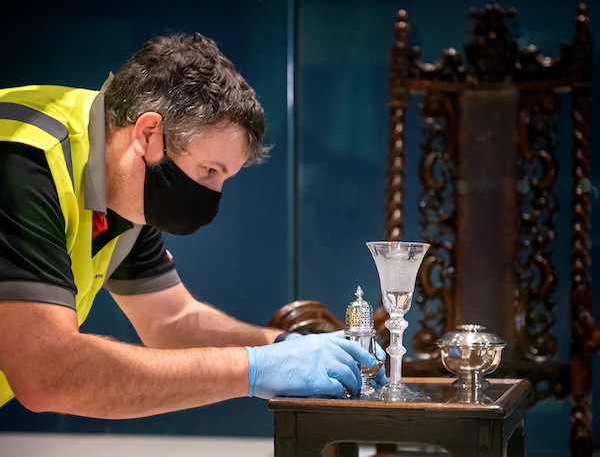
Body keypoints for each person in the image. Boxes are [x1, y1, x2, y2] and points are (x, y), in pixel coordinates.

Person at [0, 32, 385, 419]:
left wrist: (285, 346)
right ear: (149, 134)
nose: (213, 194)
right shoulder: (24, 158)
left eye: (224, 178)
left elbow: (171, 321)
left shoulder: (125, 182)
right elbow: (47, 373)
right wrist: (253, 369)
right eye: (209, 171)